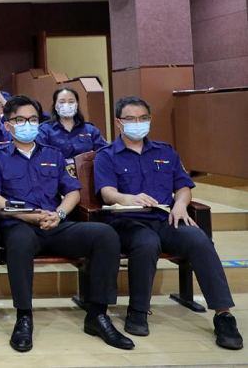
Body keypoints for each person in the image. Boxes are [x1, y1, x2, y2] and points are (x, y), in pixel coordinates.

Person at [0, 95, 132, 353]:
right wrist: (27, 215)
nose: (27, 124)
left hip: (55, 223)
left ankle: (97, 314)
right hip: (21, 225)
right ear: (8, 125)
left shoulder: (53, 154)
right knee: (19, 242)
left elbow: (73, 192)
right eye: (20, 120)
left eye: (33, 119)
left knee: (104, 235)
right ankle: (24, 317)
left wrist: (59, 214)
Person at [94, 96, 242, 349]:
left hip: (166, 219)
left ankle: (223, 315)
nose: (137, 123)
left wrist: (181, 204)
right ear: (119, 122)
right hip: (128, 222)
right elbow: (107, 193)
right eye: (130, 119)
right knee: (146, 242)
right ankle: (138, 310)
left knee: (199, 239)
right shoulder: (107, 155)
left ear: (150, 119)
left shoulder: (165, 151)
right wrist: (128, 198)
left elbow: (183, 186)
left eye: (143, 118)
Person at [36, 87, 107, 161]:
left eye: (71, 102)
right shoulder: (44, 130)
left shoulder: (90, 129)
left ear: (77, 105)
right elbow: (39, 156)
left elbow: (105, 153)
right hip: (56, 167)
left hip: (85, 168)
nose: (66, 105)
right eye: (62, 102)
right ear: (55, 106)